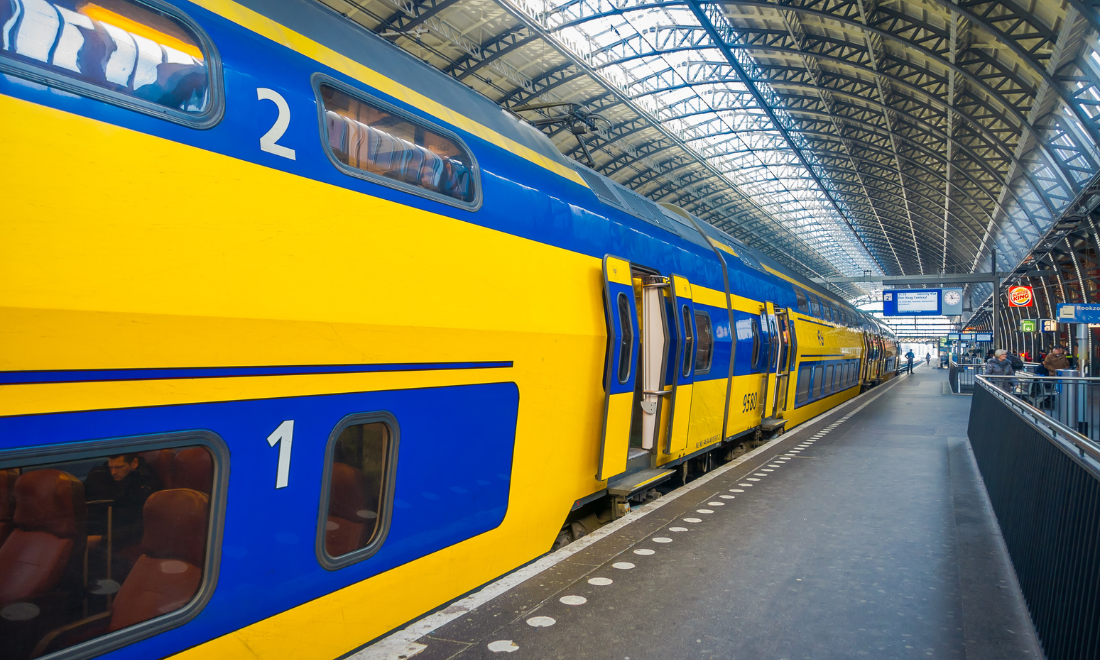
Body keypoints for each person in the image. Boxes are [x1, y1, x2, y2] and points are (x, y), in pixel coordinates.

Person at [84, 453, 163, 551]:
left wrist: (104, 539)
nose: (113, 472)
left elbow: (142, 525)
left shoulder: (146, 484)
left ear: (134, 463)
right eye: (111, 467)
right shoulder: (98, 475)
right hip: (93, 531)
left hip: (119, 537)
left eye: (119, 467)